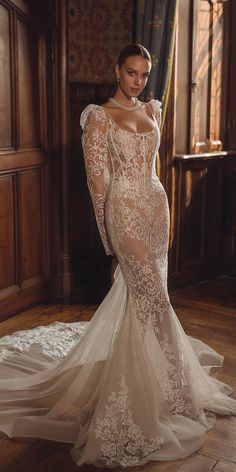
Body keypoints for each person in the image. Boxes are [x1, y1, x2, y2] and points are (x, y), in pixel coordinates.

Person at [0, 44, 235, 469]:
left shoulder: (154, 109)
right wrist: (108, 235)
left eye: (144, 74)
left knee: (151, 302)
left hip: (155, 208)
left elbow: (156, 168)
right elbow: (96, 183)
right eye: (131, 73)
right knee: (155, 301)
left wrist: (160, 214)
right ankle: (163, 392)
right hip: (124, 213)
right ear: (116, 70)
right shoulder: (98, 117)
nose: (137, 82)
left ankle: (164, 386)